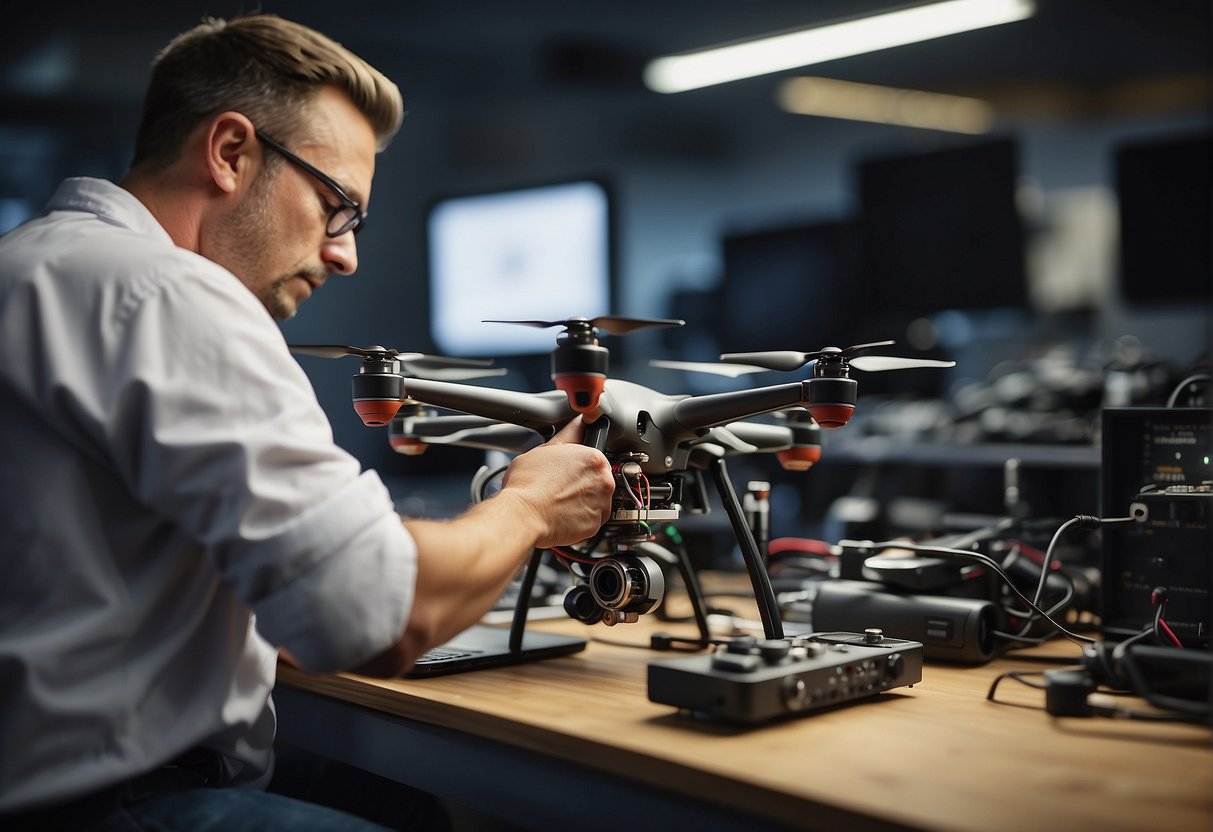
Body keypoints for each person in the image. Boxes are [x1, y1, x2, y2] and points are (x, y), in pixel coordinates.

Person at [0, 13, 614, 831]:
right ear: (229, 153)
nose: (345, 253)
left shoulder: (31, 267)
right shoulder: (168, 292)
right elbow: (377, 616)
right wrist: (527, 506)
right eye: (337, 207)